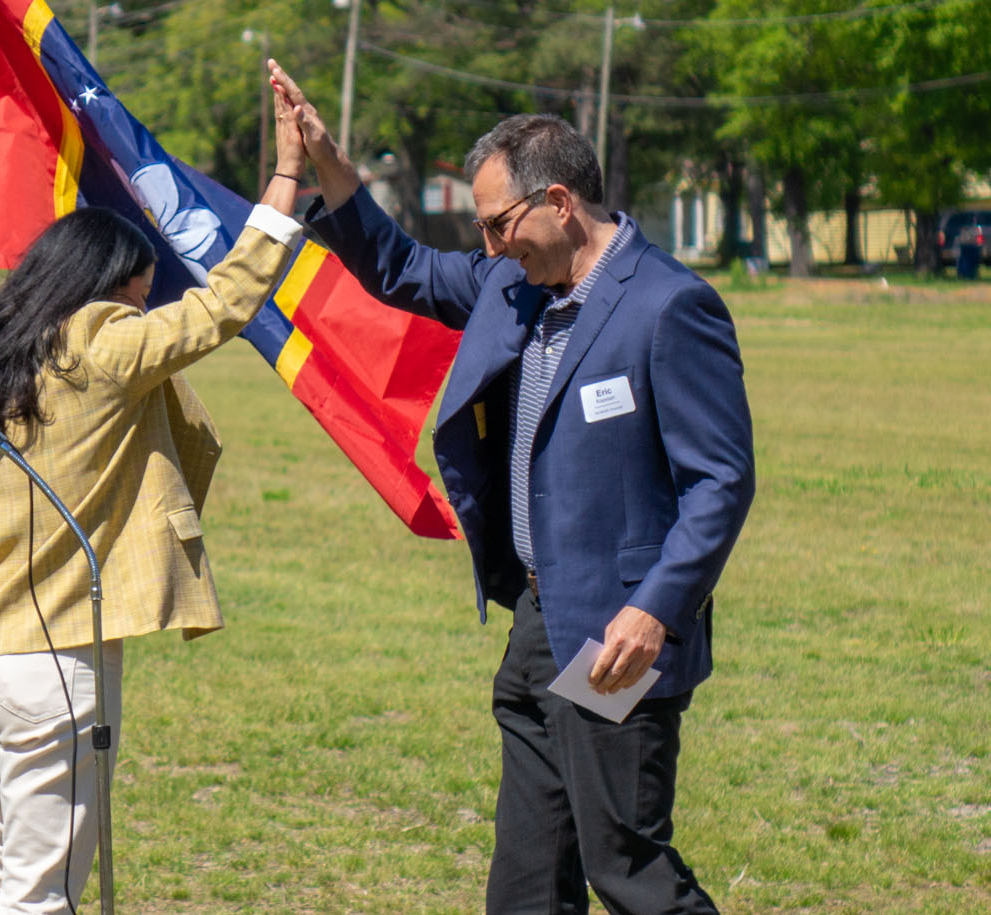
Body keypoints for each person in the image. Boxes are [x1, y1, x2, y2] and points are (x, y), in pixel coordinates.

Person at [271, 64, 755, 914]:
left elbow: (721, 480)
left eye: (499, 224)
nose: (489, 246)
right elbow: (400, 268)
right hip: (538, 622)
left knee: (626, 866)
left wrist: (655, 609)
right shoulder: (511, 285)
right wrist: (328, 165)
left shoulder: (670, 306)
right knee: (528, 886)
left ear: (560, 202)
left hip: (616, 630)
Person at [0, 74, 306, 914]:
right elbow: (226, 305)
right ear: (104, 284)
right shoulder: (103, 339)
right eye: (138, 284)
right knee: (37, 895)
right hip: (48, 665)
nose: (145, 298)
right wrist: (284, 183)